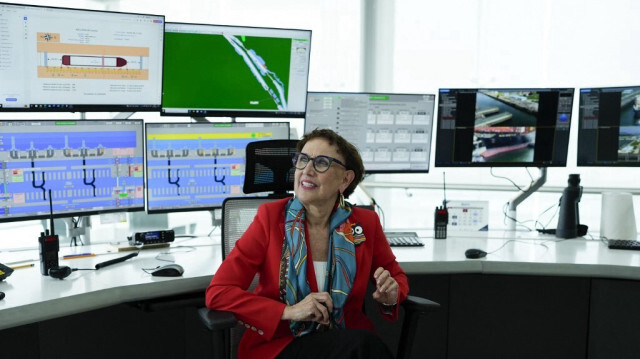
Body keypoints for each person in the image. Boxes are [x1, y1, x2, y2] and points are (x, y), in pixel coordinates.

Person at [205, 128, 409, 359]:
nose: (307, 170)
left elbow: (395, 277)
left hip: (344, 339)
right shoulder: (270, 218)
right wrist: (289, 311)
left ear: (345, 179)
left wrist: (391, 295)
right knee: (363, 347)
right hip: (282, 344)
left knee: (360, 346)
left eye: (321, 163)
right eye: (302, 160)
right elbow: (219, 292)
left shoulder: (364, 224)